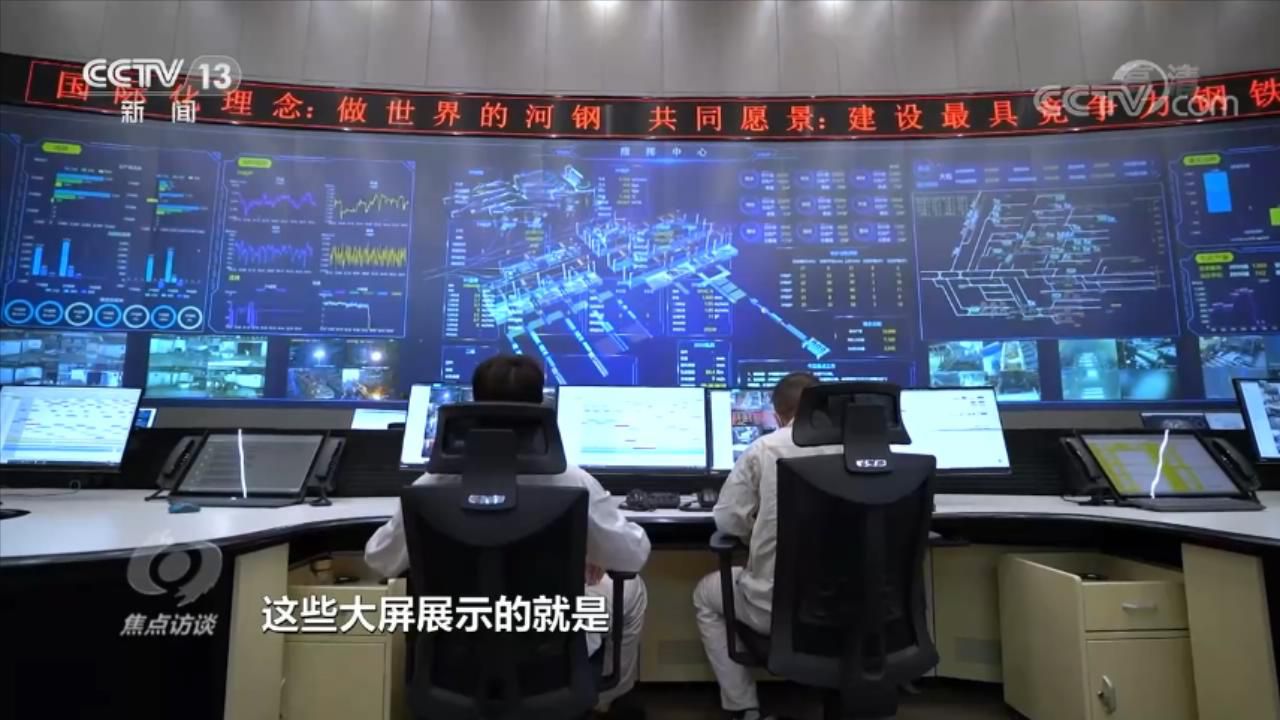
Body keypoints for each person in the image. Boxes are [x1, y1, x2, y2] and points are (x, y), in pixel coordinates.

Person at [365, 355, 651, 718]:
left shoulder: (431, 484)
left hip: (456, 656)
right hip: (546, 655)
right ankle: (603, 701)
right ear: (540, 405)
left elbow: (380, 559)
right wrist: (587, 551)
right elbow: (632, 556)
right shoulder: (572, 481)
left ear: (474, 403)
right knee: (632, 589)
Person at [693, 372, 825, 720]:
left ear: (779, 416)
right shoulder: (862, 448)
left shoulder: (766, 448)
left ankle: (744, 707)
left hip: (775, 607)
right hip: (856, 606)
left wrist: (759, 533)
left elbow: (727, 520)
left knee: (706, 593)